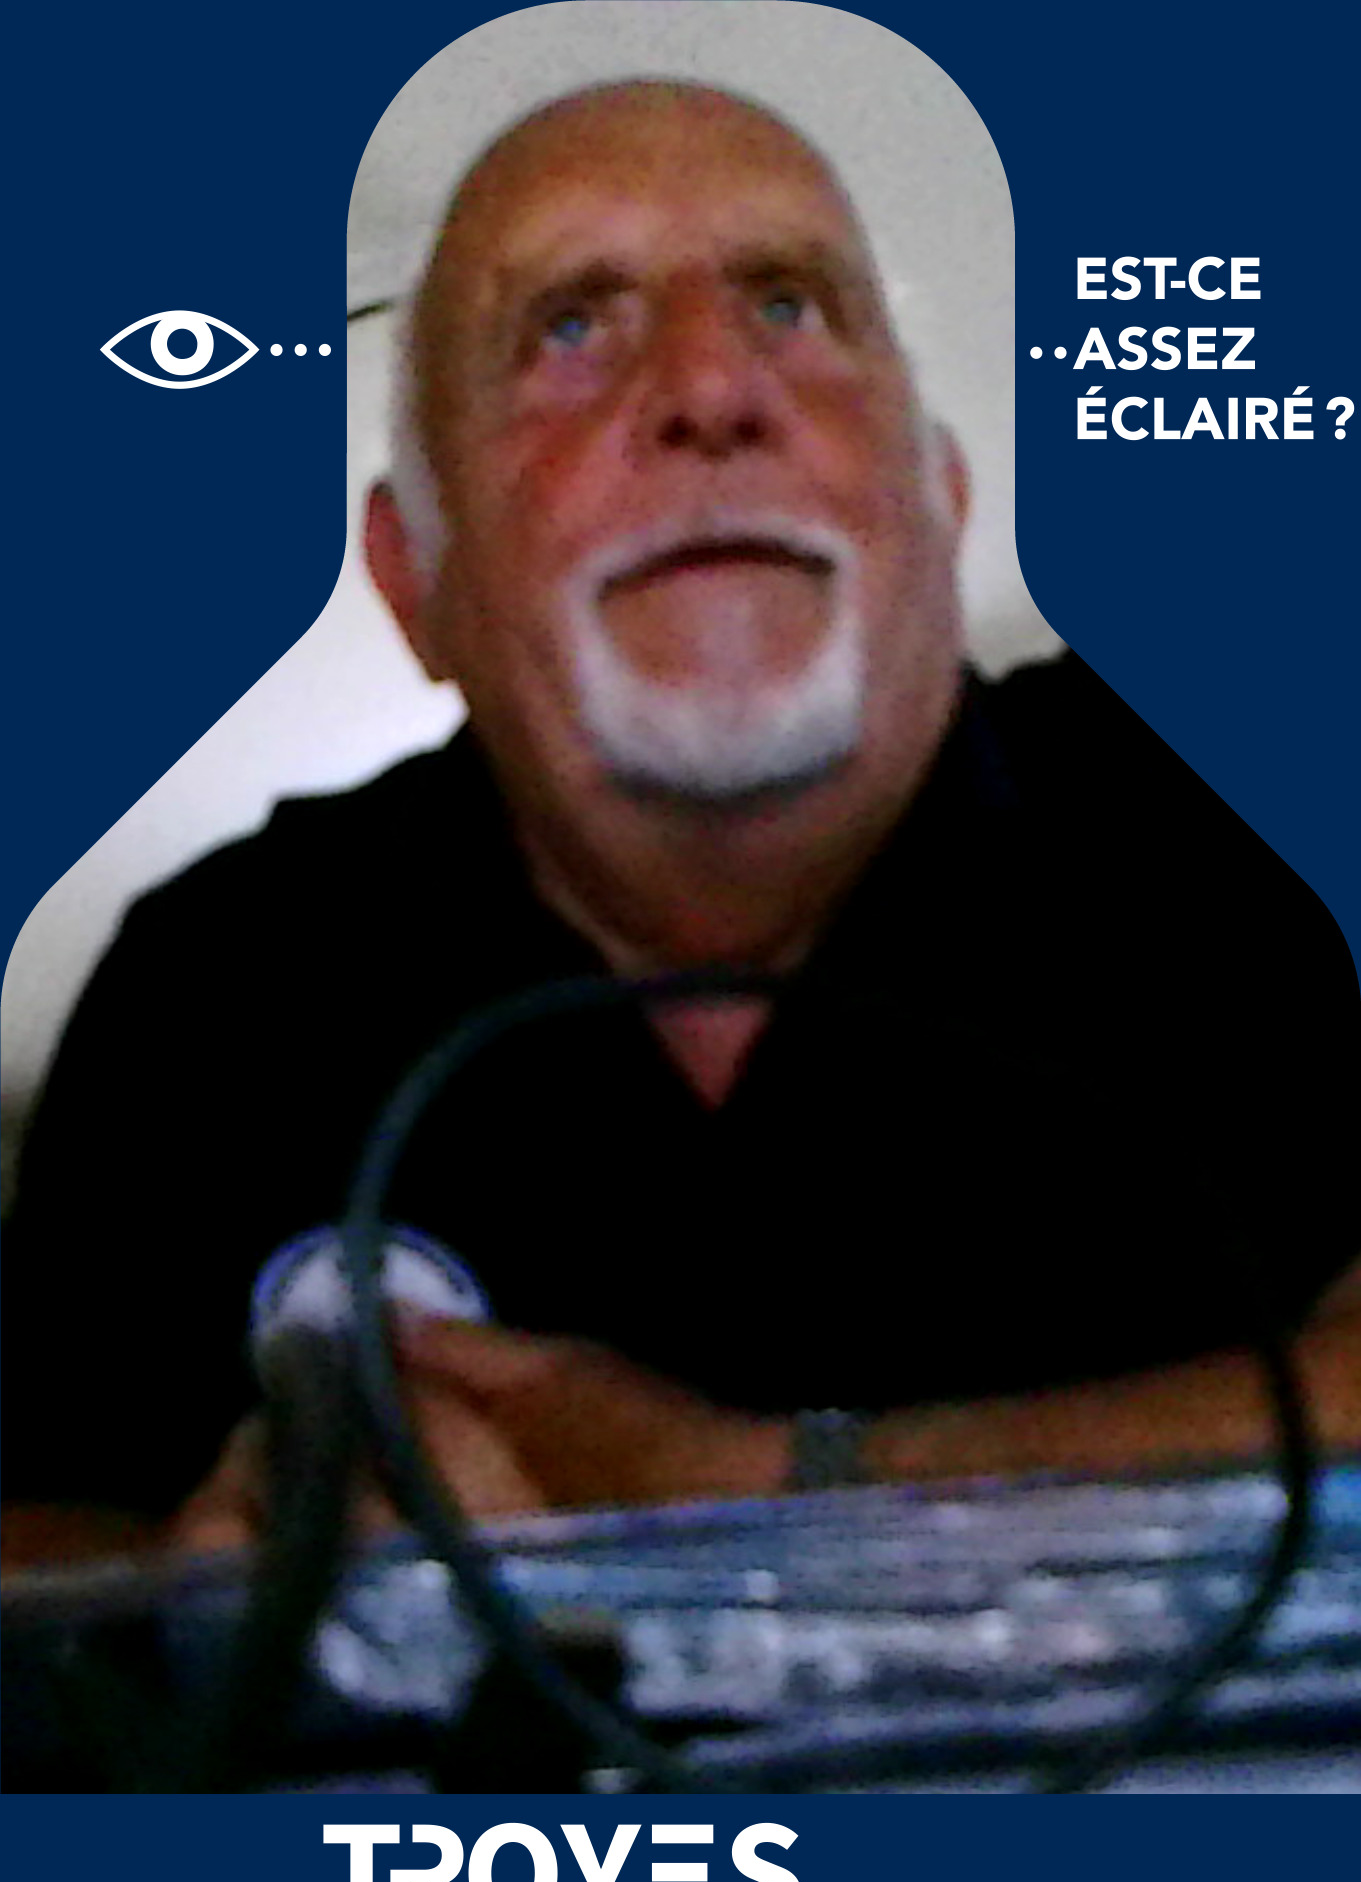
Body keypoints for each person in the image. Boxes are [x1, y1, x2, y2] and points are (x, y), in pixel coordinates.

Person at [4, 80, 1360, 1561]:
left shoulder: (1265, 813)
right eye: (566, 330)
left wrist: (770, 1484)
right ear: (413, 579)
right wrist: (213, 1591)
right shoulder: (212, 978)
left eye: (790, 306)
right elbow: (46, 1528)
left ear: (942, 496)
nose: (712, 388)